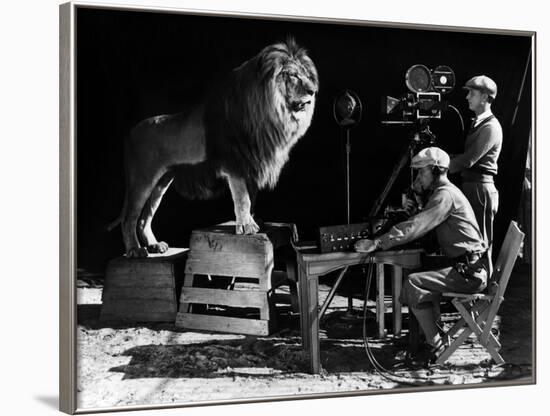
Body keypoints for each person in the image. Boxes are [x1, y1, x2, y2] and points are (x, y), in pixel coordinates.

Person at [355, 147, 488, 362]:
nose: (418, 178)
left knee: (414, 283)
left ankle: (435, 345)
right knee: (419, 275)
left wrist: (378, 242)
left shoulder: (444, 196)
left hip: (469, 274)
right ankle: (431, 336)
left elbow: (417, 226)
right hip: (468, 267)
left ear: (436, 172)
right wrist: (417, 203)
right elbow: (424, 224)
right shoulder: (443, 193)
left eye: (421, 173)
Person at [449, 75, 502, 274]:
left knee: (482, 242)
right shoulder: (479, 122)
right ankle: (471, 291)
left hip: (480, 189)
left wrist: (441, 165)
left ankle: (485, 292)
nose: (467, 97)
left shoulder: (490, 127)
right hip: (472, 186)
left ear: (485, 97)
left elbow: (469, 160)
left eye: (472, 93)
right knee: (471, 239)